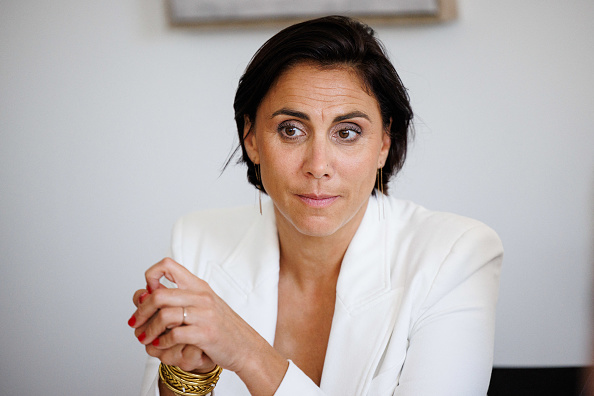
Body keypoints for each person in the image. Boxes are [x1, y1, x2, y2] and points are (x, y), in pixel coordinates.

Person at [128, 15, 503, 396]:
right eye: (291, 130)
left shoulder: (456, 255)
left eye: (347, 132)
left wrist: (247, 351)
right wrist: (188, 375)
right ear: (252, 138)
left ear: (384, 144)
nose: (318, 166)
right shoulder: (198, 242)